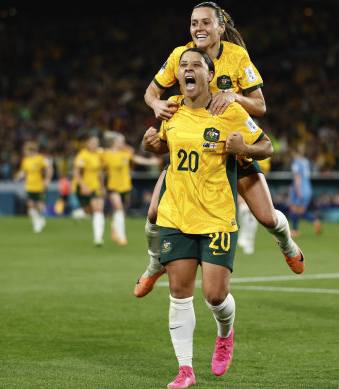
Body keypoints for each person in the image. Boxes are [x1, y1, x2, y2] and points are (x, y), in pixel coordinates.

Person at [135, 1, 304, 298]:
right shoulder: (181, 56)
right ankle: (154, 263)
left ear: (220, 27)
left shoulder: (237, 56)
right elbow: (151, 91)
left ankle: (287, 244)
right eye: (194, 23)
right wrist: (156, 103)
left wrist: (233, 96)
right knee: (153, 214)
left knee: (266, 217)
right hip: (191, 149)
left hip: (230, 149)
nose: (198, 28)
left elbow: (261, 106)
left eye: (205, 23)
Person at [144, 47, 273, 389]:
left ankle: (225, 333)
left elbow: (267, 146)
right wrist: (150, 145)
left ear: (209, 75)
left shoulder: (228, 109)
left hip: (216, 217)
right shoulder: (170, 109)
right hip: (177, 215)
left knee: (215, 296)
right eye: (183, 65)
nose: (187, 70)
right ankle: (185, 370)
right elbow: (165, 147)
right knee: (179, 292)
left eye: (195, 65)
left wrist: (243, 149)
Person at [101, 133, 161, 245]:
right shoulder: (107, 154)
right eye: (120, 141)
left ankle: (114, 225)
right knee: (118, 210)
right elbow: (100, 169)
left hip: (125, 187)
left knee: (121, 211)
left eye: (123, 141)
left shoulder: (125, 153)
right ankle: (121, 237)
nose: (122, 143)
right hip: (112, 187)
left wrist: (150, 162)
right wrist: (101, 186)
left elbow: (136, 159)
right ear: (114, 142)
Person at [72, 133, 106, 246]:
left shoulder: (98, 155)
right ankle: (78, 213)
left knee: (98, 209)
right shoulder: (82, 156)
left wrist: (102, 186)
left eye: (96, 142)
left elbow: (100, 172)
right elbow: (76, 173)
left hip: (95, 186)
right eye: (92, 142)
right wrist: (83, 186)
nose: (95, 144)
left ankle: (98, 238)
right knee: (89, 211)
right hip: (83, 187)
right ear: (87, 143)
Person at [14, 142, 53, 233]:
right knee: (30, 206)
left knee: (40, 206)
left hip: (39, 186)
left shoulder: (40, 158)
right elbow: (24, 171)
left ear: (30, 150)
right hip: (29, 186)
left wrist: (47, 179)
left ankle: (41, 219)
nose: (24, 152)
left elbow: (49, 168)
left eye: (25, 150)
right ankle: (37, 222)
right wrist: (18, 175)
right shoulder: (25, 160)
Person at [288, 145, 322, 237]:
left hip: (300, 189)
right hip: (308, 188)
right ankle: (315, 221)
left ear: (294, 153)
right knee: (301, 210)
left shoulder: (296, 162)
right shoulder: (306, 161)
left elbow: (297, 177)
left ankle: (295, 230)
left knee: (294, 209)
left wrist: (297, 191)